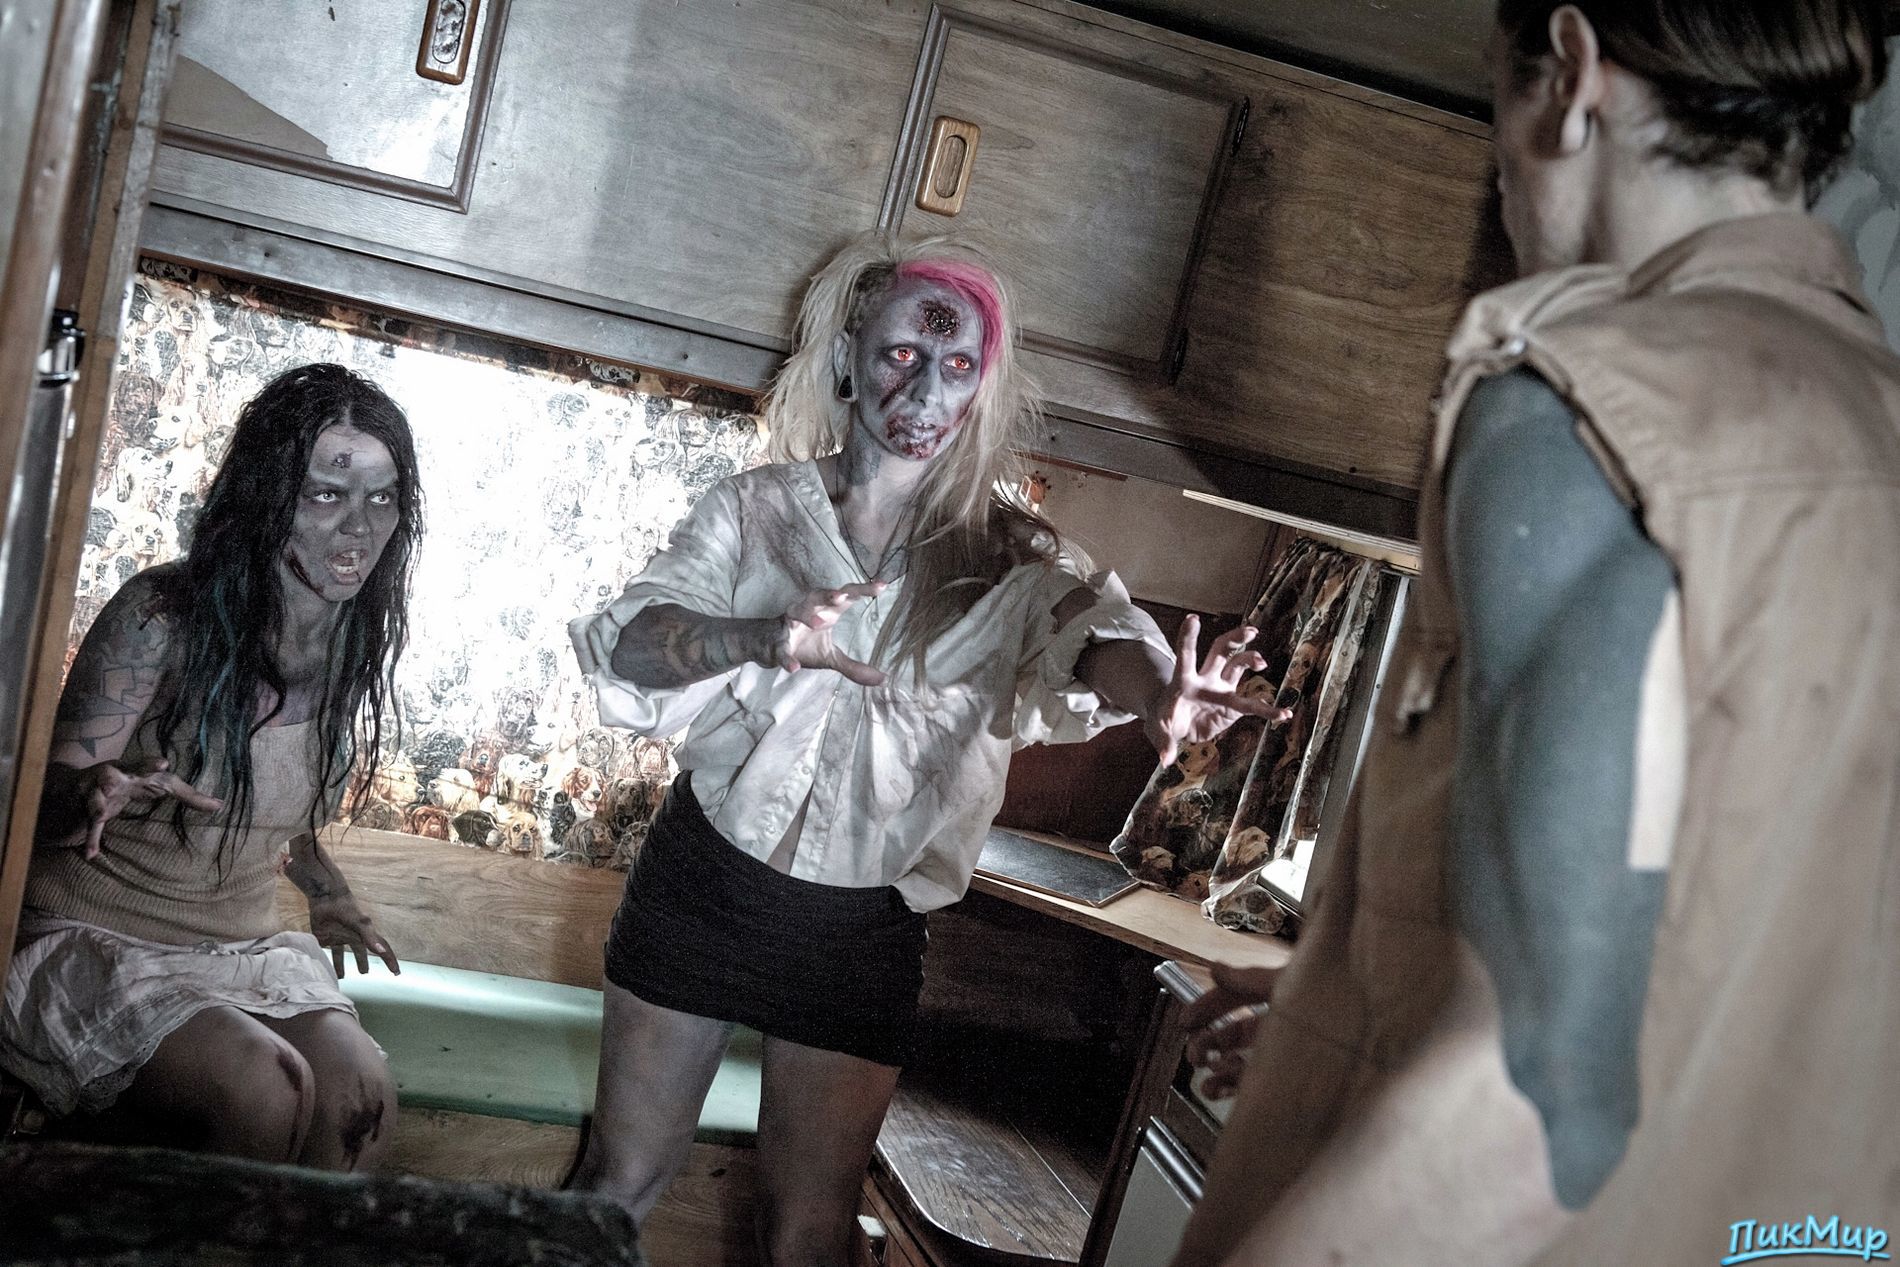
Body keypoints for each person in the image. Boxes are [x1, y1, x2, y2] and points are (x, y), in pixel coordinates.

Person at [1172, 2, 1900, 1263]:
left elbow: (1537, 1108)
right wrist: (1357, 1000)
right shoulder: (1870, 413)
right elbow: (1750, 930)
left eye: (1490, 109)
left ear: (1569, 75)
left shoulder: (1581, 401)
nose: (1501, 174)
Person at [566, 234, 1283, 1264]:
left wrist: (1161, 696)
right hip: (705, 886)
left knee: (807, 1235)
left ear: (982, 389)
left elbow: (1095, 640)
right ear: (849, 356)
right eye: (904, 354)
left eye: (957, 366)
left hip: (861, 936)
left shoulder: (1015, 555)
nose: (928, 390)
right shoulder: (753, 512)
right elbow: (633, 642)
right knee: (617, 1185)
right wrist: (760, 637)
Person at [0, 363, 423, 1171]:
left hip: (237, 947)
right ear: (267, 498)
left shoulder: (350, 645)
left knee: (361, 1095)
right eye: (327, 493)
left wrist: (329, 896)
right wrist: (92, 792)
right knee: (265, 1089)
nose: (359, 528)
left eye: (383, 497)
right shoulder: (161, 616)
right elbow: (35, 804)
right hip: (96, 935)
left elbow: (279, 818)